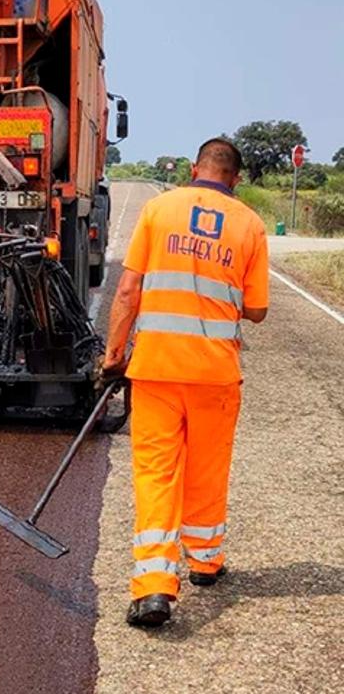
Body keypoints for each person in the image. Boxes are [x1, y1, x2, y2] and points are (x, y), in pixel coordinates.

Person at [103, 137, 269, 627]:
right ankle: (205, 560)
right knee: (208, 466)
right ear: (235, 178)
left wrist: (114, 356)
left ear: (194, 168)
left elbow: (128, 290)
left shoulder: (158, 210)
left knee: (156, 472)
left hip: (155, 368)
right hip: (216, 373)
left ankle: (153, 586)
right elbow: (257, 311)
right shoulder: (251, 225)